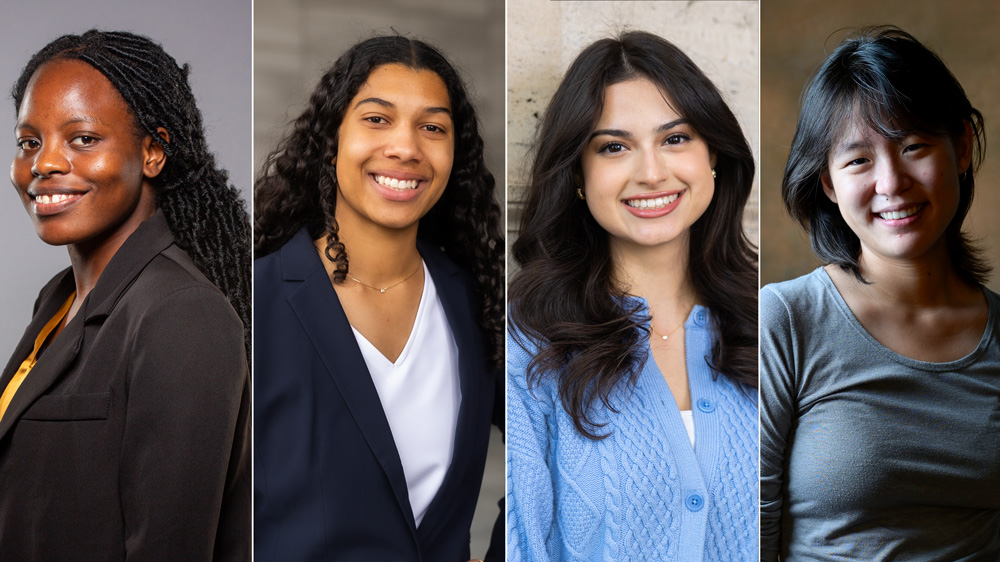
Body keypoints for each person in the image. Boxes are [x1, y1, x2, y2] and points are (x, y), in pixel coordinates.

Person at [506, 31, 759, 560]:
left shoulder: (769, 321)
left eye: (675, 139)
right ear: (579, 173)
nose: (650, 173)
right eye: (614, 147)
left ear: (714, 154)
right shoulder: (532, 346)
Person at [0, 30, 251, 560]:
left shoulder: (184, 315)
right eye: (29, 142)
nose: (43, 163)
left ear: (153, 151)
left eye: (82, 139)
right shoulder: (58, 301)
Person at [253, 35, 504, 561]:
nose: (406, 147)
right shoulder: (255, 300)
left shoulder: (480, 302)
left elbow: (551, 461)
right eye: (377, 119)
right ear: (332, 138)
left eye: (432, 127)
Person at [760, 26, 1000, 560]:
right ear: (827, 182)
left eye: (914, 146)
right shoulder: (784, 321)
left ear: (961, 146)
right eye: (858, 160)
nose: (891, 182)